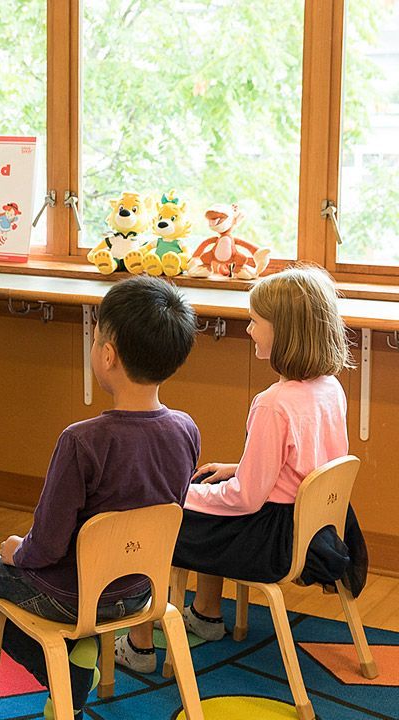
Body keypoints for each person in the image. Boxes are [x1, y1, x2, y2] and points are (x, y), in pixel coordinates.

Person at [0, 276, 200, 717]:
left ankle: (63, 673)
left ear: (107, 355)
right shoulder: (186, 429)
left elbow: (46, 545)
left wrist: (16, 553)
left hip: (73, 597)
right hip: (140, 590)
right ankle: (79, 654)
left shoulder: (83, 440)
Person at [116, 265, 365, 674]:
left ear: (284, 331)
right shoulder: (329, 387)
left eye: (255, 322)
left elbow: (245, 499)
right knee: (209, 489)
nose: (249, 330)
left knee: (160, 517)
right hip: (315, 528)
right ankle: (206, 613)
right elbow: (308, 462)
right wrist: (237, 468)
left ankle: (140, 645)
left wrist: (178, 493)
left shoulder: (273, 403)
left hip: (271, 538)